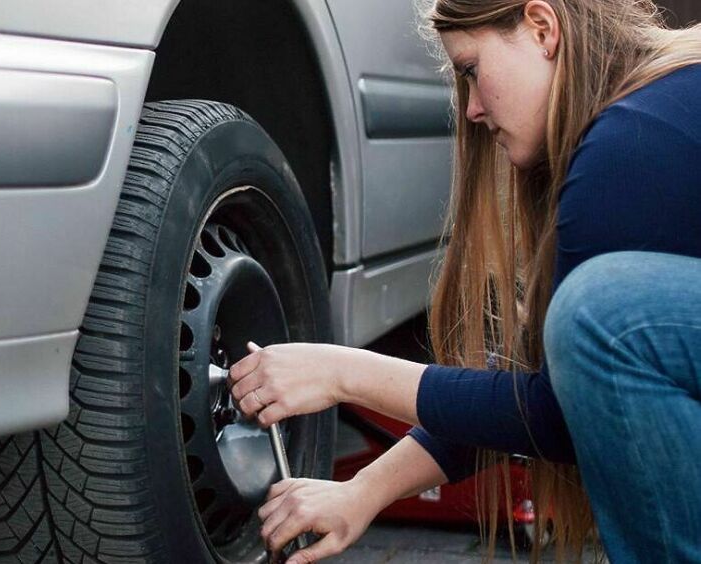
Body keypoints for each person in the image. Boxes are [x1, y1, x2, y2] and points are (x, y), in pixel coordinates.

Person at [227, 1, 701, 562]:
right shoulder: (655, 111)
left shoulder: (628, 141)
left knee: (598, 316)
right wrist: (362, 491)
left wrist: (342, 372)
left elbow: (554, 417)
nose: (472, 108)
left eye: (472, 70)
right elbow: (543, 389)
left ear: (542, 29)